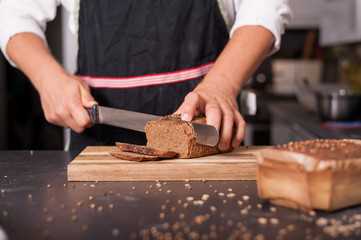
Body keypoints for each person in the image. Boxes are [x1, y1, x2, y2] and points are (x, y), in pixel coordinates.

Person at [0, 0, 292, 151]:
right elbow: (12, 12)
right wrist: (46, 76)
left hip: (207, 142)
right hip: (98, 147)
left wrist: (222, 84)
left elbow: (264, 6)